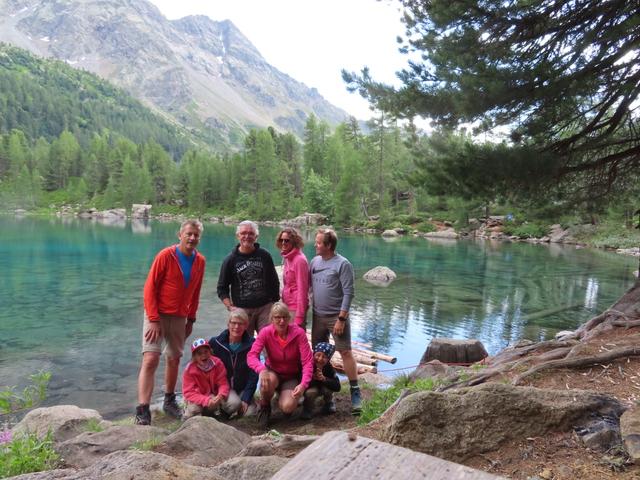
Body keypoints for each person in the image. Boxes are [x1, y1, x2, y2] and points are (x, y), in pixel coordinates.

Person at [135, 219, 206, 425]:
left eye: (196, 235)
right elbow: (149, 289)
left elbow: (195, 292)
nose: (192, 238)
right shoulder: (166, 256)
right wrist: (154, 319)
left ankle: (169, 400)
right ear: (180, 235)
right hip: (156, 314)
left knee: (174, 358)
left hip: (179, 316)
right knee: (150, 358)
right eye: (189, 234)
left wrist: (191, 318)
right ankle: (142, 408)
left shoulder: (200, 261)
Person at [310, 228, 361, 414]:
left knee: (345, 351)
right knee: (319, 355)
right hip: (317, 315)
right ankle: (326, 396)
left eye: (318, 242)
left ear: (328, 245)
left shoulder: (343, 264)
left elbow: (349, 293)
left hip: (336, 317)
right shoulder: (314, 262)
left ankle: (355, 391)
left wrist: (341, 318)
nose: (315, 245)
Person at [247, 302, 313, 428]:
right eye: (277, 317)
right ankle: (265, 406)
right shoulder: (265, 333)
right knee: (266, 382)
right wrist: (261, 369)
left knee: (287, 407)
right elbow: (251, 355)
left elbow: (307, 362)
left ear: (289, 318)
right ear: (272, 319)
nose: (281, 321)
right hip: (273, 372)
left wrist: (303, 384)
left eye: (284, 317)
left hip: (291, 376)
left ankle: (282, 397)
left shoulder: (299, 333)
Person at [217, 220, 280, 335]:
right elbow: (222, 288)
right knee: (246, 346)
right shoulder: (230, 260)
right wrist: (230, 307)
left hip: (265, 308)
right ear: (237, 236)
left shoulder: (264, 255)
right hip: (242, 310)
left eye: (251, 233)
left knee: (268, 342)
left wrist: (274, 303)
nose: (247, 236)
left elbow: (274, 281)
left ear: (256, 236)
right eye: (243, 233)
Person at [209, 309, 259, 417]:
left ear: (246, 326)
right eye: (233, 323)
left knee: (249, 413)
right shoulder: (215, 342)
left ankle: (243, 403)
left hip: (242, 387)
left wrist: (246, 398)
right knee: (233, 404)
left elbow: (253, 375)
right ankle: (223, 408)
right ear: (228, 324)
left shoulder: (252, 344)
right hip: (224, 387)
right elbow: (203, 365)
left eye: (240, 324)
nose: (236, 327)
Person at [182, 338, 230, 419]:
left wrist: (221, 395)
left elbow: (223, 383)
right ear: (194, 357)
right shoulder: (189, 370)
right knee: (193, 410)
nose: (203, 355)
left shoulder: (218, 363)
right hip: (197, 397)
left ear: (210, 352)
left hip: (213, 396)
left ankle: (215, 414)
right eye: (199, 353)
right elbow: (189, 392)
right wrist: (206, 400)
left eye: (206, 352)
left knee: (231, 403)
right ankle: (188, 414)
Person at [276, 227, 309, 329]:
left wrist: (299, 316)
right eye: (281, 240)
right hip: (287, 305)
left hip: (296, 307)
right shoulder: (288, 257)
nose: (283, 243)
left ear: (294, 241)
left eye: (287, 240)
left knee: (295, 338)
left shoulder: (299, 260)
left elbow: (303, 290)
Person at [301, 342, 341, 420]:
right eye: (318, 355)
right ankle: (307, 407)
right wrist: (312, 379)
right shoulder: (308, 365)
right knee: (310, 393)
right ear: (313, 354)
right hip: (312, 388)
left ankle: (329, 402)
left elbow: (338, 387)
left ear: (328, 359)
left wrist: (324, 379)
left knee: (328, 389)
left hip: (324, 387)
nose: (320, 359)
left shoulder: (329, 368)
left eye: (324, 357)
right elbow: (301, 382)